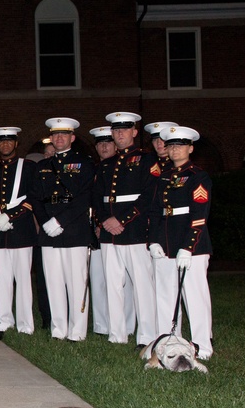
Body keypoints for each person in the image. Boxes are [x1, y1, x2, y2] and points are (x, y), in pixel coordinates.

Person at [93, 112, 158, 347]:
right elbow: (97, 198)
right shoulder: (106, 164)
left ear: (134, 132)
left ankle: (147, 335)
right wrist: (104, 221)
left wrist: (121, 220)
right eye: (116, 130)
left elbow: (149, 195)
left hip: (135, 232)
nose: (119, 134)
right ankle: (117, 334)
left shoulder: (147, 160)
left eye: (124, 130)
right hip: (110, 235)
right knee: (112, 285)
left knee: (142, 286)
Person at [148, 126, 213, 360]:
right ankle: (168, 341)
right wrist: (153, 241)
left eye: (180, 145)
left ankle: (202, 346)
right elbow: (155, 212)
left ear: (191, 148)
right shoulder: (164, 176)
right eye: (171, 145)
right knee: (165, 295)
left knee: (195, 297)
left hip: (190, 247)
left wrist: (188, 247)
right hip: (165, 244)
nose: (174, 149)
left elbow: (199, 215)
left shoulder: (198, 176)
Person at [30, 117, 95, 342]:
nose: (59, 138)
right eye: (55, 135)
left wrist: (60, 221)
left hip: (74, 229)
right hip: (48, 232)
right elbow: (35, 198)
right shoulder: (42, 166)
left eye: (64, 135)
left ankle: (77, 332)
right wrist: (46, 221)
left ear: (72, 138)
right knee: (54, 283)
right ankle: (58, 330)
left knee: (77, 283)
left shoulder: (84, 163)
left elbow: (85, 196)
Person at [0, 127, 37, 340]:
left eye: (9, 141)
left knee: (23, 280)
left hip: (21, 232)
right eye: (1, 141)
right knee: (3, 279)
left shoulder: (29, 167)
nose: (5, 145)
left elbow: (32, 197)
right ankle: (4, 322)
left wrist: (10, 216)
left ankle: (25, 326)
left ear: (16, 144)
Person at [87, 125, 136, 338]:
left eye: (108, 142)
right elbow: (95, 200)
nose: (104, 146)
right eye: (100, 143)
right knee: (99, 280)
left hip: (126, 230)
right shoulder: (97, 168)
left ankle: (128, 325)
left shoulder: (128, 164)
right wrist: (101, 222)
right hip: (100, 231)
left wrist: (114, 221)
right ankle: (102, 325)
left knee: (127, 283)